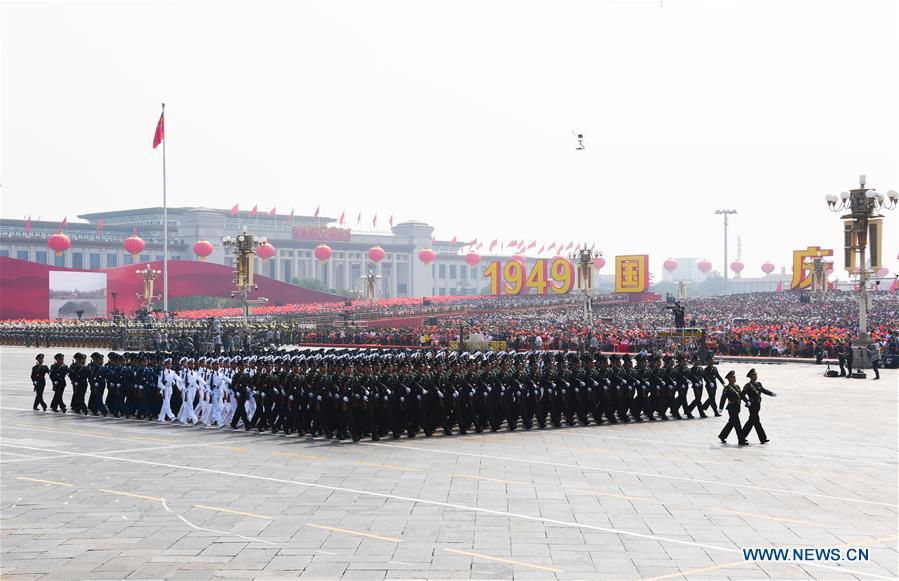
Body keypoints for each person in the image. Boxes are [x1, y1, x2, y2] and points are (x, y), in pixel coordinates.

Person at [740, 368, 777, 444]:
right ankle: (762, 438)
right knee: (755, 421)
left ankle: (742, 436)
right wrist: (747, 401)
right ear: (750, 376)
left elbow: (763, 390)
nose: (755, 376)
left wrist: (771, 393)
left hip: (758, 405)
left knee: (752, 421)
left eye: (756, 375)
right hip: (752, 405)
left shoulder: (758, 384)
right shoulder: (747, 385)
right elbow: (742, 394)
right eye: (754, 375)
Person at [717, 370, 748, 445]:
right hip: (731, 407)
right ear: (729, 379)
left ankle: (722, 435)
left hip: (737, 407)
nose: (734, 378)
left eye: (734, 377)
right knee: (737, 424)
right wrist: (721, 408)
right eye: (732, 377)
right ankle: (741, 440)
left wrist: (747, 401)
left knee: (731, 422)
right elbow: (723, 398)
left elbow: (741, 395)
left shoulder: (737, 386)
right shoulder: (727, 388)